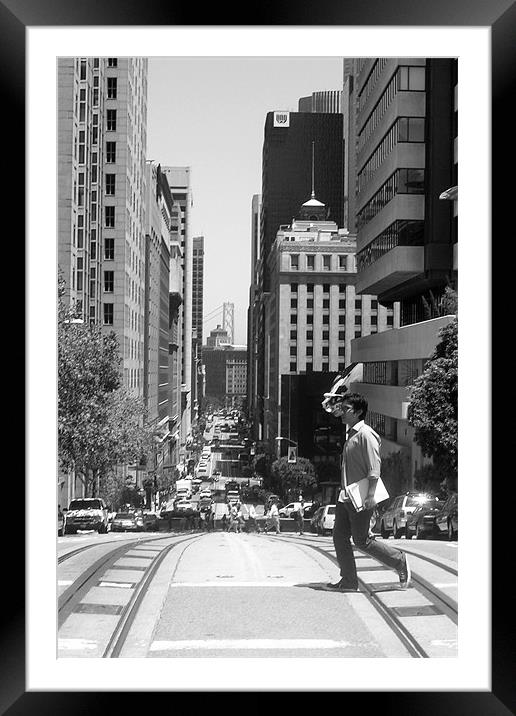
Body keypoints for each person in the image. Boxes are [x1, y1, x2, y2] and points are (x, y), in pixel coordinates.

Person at [322, 390, 411, 592]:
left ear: (359, 411)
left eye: (346, 409)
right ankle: (349, 581)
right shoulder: (351, 434)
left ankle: (399, 560)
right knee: (339, 537)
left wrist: (371, 496)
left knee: (362, 540)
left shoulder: (366, 435)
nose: (342, 412)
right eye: (342, 408)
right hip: (346, 496)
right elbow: (330, 408)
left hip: (361, 497)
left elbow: (374, 468)